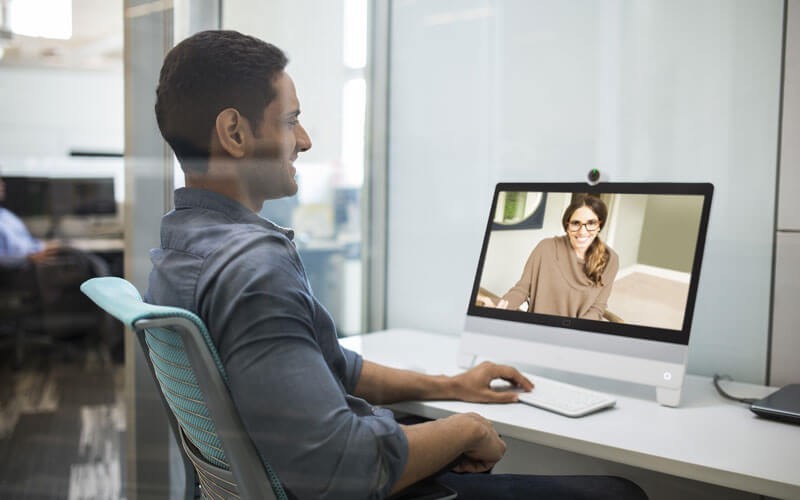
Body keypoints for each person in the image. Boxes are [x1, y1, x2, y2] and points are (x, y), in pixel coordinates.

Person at [147, 30, 646, 499]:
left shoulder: (179, 249)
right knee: (623, 492)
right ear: (234, 132)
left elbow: (334, 367)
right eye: (290, 121)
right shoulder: (254, 270)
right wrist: (467, 428)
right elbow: (339, 469)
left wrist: (451, 387)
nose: (305, 140)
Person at [479, 195, 619, 321]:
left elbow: (597, 307)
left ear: (599, 225)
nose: (583, 231)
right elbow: (522, 289)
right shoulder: (546, 247)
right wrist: (501, 305)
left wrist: (575, 331)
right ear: (567, 225)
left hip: (577, 334)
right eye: (576, 223)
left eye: (591, 223)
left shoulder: (610, 259)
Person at [0, 177, 61, 267]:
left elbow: (29, 243)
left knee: (74, 257)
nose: (2, 184)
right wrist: (28, 259)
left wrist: (45, 246)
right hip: (19, 269)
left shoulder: (7, 215)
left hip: (36, 261)